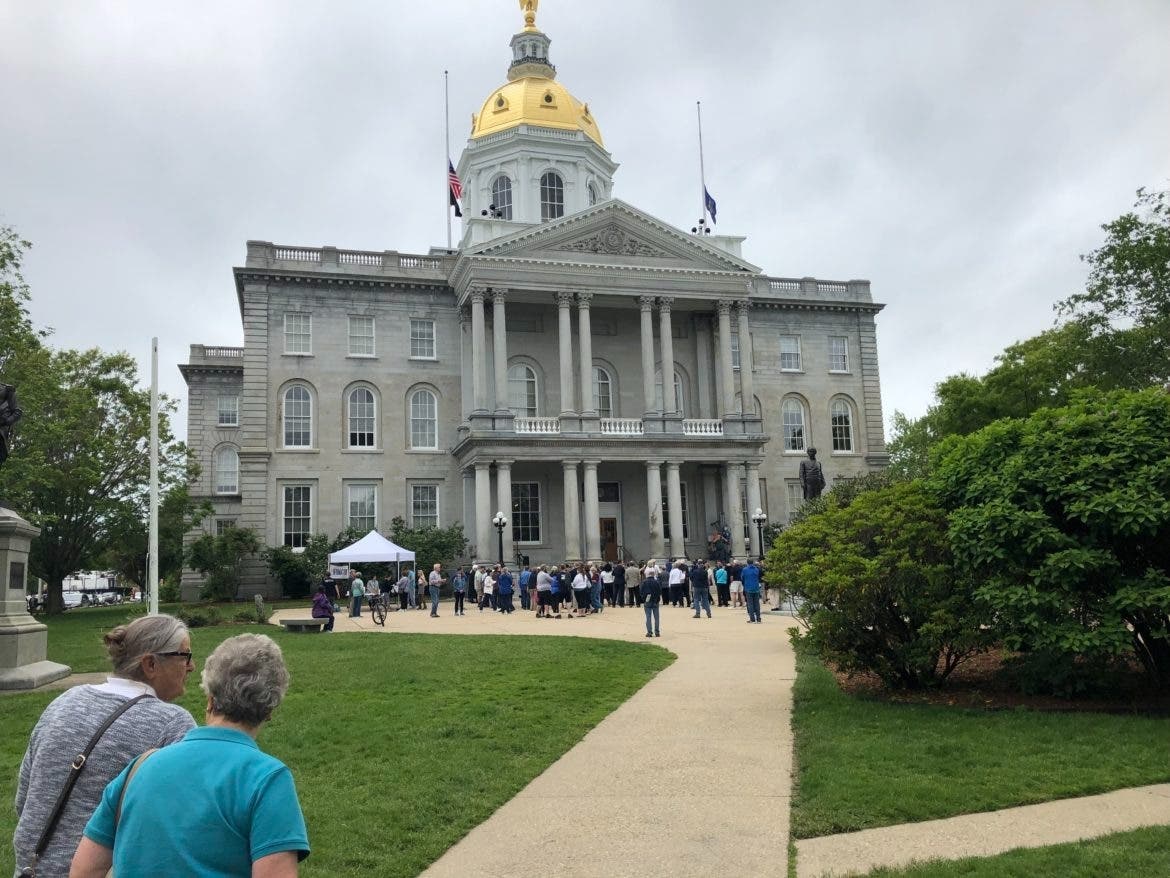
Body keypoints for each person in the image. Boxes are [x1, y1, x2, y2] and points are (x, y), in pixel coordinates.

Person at [71, 634, 310, 877]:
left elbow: (83, 871)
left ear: (210, 699)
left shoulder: (141, 767)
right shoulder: (266, 780)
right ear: (269, 710)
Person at [14, 615, 197, 878]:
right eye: (185, 656)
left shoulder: (65, 700)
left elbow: (24, 799)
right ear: (151, 664)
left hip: (32, 867)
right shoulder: (172, 723)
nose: (191, 666)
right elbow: (180, 826)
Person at [640, 565, 662, 637]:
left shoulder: (644, 582)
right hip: (655, 600)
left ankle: (649, 632)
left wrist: (644, 599)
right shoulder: (656, 582)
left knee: (648, 617)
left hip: (647, 600)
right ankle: (657, 632)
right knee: (656, 617)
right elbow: (659, 591)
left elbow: (641, 592)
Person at [742, 558, 763, 623]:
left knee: (750, 604)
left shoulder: (745, 569)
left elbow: (742, 578)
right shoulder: (756, 569)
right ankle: (758, 618)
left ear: (747, 563)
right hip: (756, 588)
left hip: (748, 588)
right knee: (757, 604)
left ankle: (752, 619)